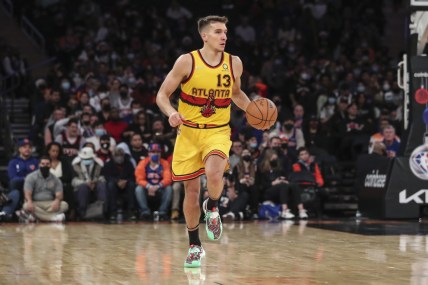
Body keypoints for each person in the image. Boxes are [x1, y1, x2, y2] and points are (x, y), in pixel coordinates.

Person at [156, 15, 252, 268]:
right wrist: (171, 113)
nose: (224, 37)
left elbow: (236, 94)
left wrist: (252, 109)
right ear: (204, 36)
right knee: (191, 191)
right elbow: (162, 95)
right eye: (218, 32)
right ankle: (194, 245)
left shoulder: (234, 63)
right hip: (188, 133)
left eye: (225, 32)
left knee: (214, 172)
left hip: (217, 131)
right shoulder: (186, 61)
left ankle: (213, 206)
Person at [19, 156, 68, 222]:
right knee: (26, 206)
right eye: (43, 164)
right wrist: (29, 201)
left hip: (50, 204)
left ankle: (35, 217)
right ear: (39, 165)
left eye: (47, 164)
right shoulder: (31, 177)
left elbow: (59, 195)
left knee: (64, 205)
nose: (45, 166)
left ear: (50, 165)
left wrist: (57, 200)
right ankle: (53, 218)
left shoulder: (56, 179)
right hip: (35, 203)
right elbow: (27, 193)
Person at [135, 143, 172, 221]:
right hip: (147, 189)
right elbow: (139, 179)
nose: (156, 154)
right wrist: (149, 186)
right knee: (138, 189)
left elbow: (168, 179)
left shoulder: (164, 163)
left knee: (169, 189)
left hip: (159, 189)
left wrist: (157, 186)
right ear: (149, 153)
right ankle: (145, 212)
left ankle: (162, 212)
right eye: (153, 152)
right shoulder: (143, 163)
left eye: (158, 152)